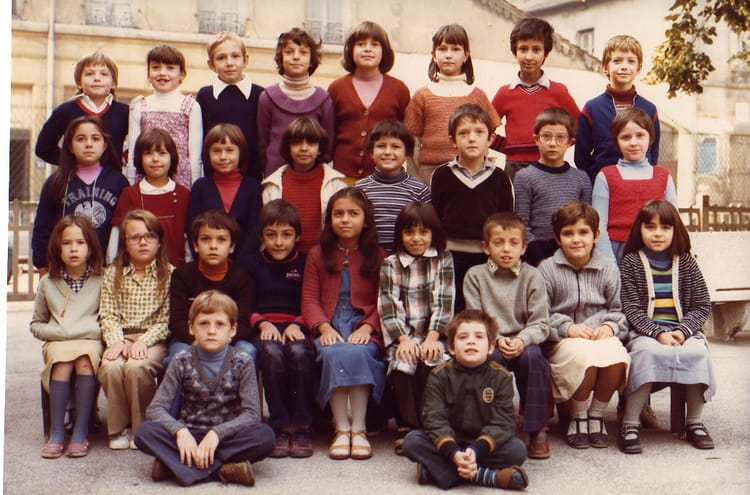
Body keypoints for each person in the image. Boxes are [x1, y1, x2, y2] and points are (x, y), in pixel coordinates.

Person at [134, 290, 275, 486]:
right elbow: (155, 409)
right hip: (189, 434)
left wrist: (217, 433)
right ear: (191, 328)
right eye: (203, 324)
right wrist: (180, 431)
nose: (211, 331)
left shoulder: (242, 362)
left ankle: (177, 466)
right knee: (144, 432)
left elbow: (251, 414)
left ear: (232, 330)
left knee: (265, 436)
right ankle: (224, 469)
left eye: (220, 324)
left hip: (226, 437)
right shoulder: (181, 360)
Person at [618, 200, 716, 454]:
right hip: (645, 331)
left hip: (684, 331)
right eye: (650, 227)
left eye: (665, 227)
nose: (658, 233)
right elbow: (631, 308)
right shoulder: (631, 262)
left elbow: (702, 304)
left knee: (697, 353)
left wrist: (683, 331)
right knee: (646, 353)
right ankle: (630, 423)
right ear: (639, 229)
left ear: (676, 230)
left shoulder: (686, 262)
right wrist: (658, 333)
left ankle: (695, 423)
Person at [301, 187, 387, 460]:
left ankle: (358, 428)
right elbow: (309, 299)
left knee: (359, 352)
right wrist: (323, 327)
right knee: (332, 352)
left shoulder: (379, 255)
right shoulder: (317, 254)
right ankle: (341, 428)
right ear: (330, 219)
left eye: (353, 213)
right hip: (330, 322)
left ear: (365, 220)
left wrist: (368, 327)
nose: (345, 219)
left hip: (364, 323)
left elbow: (385, 300)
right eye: (338, 214)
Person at [401, 310, 528, 490]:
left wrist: (476, 450)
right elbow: (434, 419)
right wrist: (453, 452)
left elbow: (503, 423)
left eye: (479, 337)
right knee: (412, 441)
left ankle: (441, 471)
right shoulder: (439, 375)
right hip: (449, 441)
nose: (471, 341)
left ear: (490, 347)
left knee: (517, 450)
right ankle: (486, 476)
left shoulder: (501, 377)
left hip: (482, 443)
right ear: (452, 348)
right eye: (463, 337)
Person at [538, 201, 629, 450]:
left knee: (617, 355)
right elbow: (540, 314)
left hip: (599, 336)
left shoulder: (608, 268)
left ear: (595, 235)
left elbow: (619, 310)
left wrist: (610, 327)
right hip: (563, 340)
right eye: (568, 234)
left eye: (583, 232)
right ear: (557, 238)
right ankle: (578, 417)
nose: (576, 239)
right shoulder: (547, 270)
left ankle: (596, 414)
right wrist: (568, 328)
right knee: (583, 355)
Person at [463, 212, 551, 459]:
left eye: (513, 243)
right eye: (498, 242)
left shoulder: (532, 276)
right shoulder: (475, 276)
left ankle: (537, 428)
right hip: (491, 340)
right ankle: (496, 425)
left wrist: (522, 340)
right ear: (486, 247)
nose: (506, 249)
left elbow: (541, 322)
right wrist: (497, 338)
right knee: (490, 359)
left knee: (534, 359)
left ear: (524, 247)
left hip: (524, 340)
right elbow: (475, 318)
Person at [238, 200, 316, 459]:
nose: (279, 242)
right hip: (264, 326)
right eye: (271, 235)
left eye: (286, 235)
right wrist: (261, 322)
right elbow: (244, 303)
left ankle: (302, 426)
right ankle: (280, 424)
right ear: (262, 236)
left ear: (298, 236)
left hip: (297, 324)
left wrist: (299, 323)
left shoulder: (306, 262)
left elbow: (312, 298)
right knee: (271, 353)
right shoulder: (250, 264)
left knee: (298, 352)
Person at [378, 202, 453, 449]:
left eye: (423, 232)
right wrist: (403, 340)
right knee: (403, 363)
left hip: (434, 334)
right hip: (404, 335)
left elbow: (444, 302)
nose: (416, 238)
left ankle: (431, 425)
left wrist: (432, 337)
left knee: (433, 361)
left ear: (433, 233)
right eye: (409, 232)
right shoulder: (391, 264)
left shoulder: (443, 260)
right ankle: (408, 425)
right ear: (400, 234)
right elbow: (389, 306)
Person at [98, 209, 173, 450]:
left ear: (159, 242)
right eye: (135, 237)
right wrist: (116, 341)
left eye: (149, 236)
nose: (142, 242)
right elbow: (108, 313)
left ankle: (141, 427)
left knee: (136, 367)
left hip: (154, 339)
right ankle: (118, 428)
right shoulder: (113, 273)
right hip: (121, 336)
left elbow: (166, 319)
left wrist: (144, 341)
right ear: (125, 243)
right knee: (111, 367)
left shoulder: (169, 274)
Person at [31, 215, 104, 459]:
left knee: (84, 361)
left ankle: (81, 431)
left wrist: (78, 331)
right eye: (66, 243)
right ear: (57, 247)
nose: (74, 249)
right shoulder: (47, 282)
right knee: (62, 363)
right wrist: (60, 333)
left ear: (90, 247)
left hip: (90, 342)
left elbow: (108, 321)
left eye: (80, 243)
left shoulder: (102, 279)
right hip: (58, 341)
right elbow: (36, 324)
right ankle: (57, 432)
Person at [431, 103, 513, 312]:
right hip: (450, 255)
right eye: (463, 133)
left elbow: (506, 221)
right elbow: (435, 216)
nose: (471, 138)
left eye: (479, 132)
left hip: (487, 256)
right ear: (453, 140)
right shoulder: (441, 175)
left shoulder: (500, 178)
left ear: (490, 139)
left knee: (482, 308)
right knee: (453, 307)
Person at [32, 115, 129, 275]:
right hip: (64, 269)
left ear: (105, 145)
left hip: (107, 270)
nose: (89, 144)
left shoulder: (118, 181)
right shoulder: (56, 182)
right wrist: (42, 265)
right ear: (70, 146)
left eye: (95, 138)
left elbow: (126, 227)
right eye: (81, 139)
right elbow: (42, 227)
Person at [405, 24, 501, 184]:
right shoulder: (422, 95)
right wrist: (417, 177)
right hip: (430, 174)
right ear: (433, 54)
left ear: (466, 55)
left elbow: (488, 137)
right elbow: (412, 141)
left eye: (455, 49)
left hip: (470, 173)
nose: (448, 55)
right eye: (442, 49)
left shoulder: (477, 96)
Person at [491, 18, 580, 183]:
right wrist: (508, 146)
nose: (529, 56)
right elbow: (483, 128)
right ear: (514, 52)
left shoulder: (558, 91)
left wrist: (558, 146)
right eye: (523, 49)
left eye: (536, 50)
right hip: (514, 167)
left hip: (550, 165)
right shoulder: (505, 93)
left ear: (546, 53)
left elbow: (580, 127)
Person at [167, 210, 256, 370]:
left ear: (231, 246)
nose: (213, 246)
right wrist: (197, 341)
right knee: (177, 354)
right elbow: (177, 320)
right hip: (190, 338)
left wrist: (221, 342)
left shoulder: (242, 278)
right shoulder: (182, 275)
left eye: (221, 240)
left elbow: (243, 323)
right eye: (205, 239)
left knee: (247, 350)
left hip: (229, 339)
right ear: (195, 245)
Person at [328, 21, 411, 181]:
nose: (367, 49)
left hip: (385, 178)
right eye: (360, 44)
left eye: (374, 44)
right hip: (343, 176)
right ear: (350, 50)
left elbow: (405, 134)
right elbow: (329, 132)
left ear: (384, 51)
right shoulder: (336, 88)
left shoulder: (399, 89)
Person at [592, 107, 676, 263]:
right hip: (617, 252)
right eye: (625, 137)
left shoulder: (664, 176)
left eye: (640, 135)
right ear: (616, 141)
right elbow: (599, 225)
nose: (633, 142)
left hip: (655, 252)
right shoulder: (605, 176)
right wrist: (610, 264)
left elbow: (674, 221)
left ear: (650, 138)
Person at [575, 34, 660, 182]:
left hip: (640, 183)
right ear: (605, 67)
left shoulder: (649, 109)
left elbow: (653, 152)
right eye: (617, 61)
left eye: (631, 61)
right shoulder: (592, 108)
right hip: (603, 185)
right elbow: (581, 156)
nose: (624, 66)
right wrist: (596, 180)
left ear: (639, 68)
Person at [513, 107, 591, 266]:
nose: (553, 143)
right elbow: (521, 224)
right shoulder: (524, 177)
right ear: (536, 139)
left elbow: (588, 221)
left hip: (573, 251)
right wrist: (539, 260)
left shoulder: (581, 178)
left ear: (570, 142)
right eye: (546, 136)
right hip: (537, 254)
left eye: (560, 137)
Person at [257, 27, 335, 177]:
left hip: (311, 178)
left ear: (311, 60)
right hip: (276, 178)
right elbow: (262, 144)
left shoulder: (324, 100)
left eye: (303, 52)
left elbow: (328, 148)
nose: (296, 57)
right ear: (280, 58)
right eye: (289, 52)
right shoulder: (267, 97)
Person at [261, 118, 346, 252]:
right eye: (296, 143)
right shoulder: (273, 185)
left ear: (320, 148)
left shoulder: (336, 184)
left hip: (323, 257)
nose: (304, 148)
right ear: (288, 148)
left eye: (311, 143)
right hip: (284, 257)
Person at [108, 128, 190, 267]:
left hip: (176, 271)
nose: (155, 159)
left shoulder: (184, 195)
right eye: (148, 153)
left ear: (172, 157)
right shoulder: (130, 194)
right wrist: (113, 265)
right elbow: (117, 235)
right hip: (137, 273)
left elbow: (188, 239)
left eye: (162, 153)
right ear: (139, 158)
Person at [127, 44, 202, 188]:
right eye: (156, 67)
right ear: (148, 73)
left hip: (181, 183)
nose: (162, 73)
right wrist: (131, 185)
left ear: (182, 74)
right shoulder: (140, 106)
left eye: (170, 68)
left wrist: (195, 188)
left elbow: (195, 156)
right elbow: (133, 152)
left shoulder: (190, 106)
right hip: (146, 183)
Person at [35, 51, 129, 166]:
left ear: (114, 83)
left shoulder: (125, 112)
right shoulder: (65, 111)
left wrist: (123, 158)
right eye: (89, 74)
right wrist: (71, 164)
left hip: (112, 177)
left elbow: (141, 143)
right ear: (79, 82)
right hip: (74, 176)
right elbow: (43, 148)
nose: (97, 78)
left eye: (103, 74)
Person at [355, 119, 432, 253]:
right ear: (371, 152)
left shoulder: (419, 189)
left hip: (407, 258)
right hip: (369, 257)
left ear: (407, 154)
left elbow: (428, 227)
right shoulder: (359, 189)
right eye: (381, 146)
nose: (388, 152)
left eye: (395, 147)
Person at [188, 123, 262, 260]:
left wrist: (240, 261)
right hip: (206, 262)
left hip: (243, 264)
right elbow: (192, 228)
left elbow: (255, 229)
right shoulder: (200, 187)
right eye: (216, 151)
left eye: (229, 150)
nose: (223, 157)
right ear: (208, 154)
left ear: (241, 152)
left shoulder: (252, 187)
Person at [196, 31, 264, 181]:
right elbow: (200, 142)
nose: (229, 63)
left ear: (245, 60)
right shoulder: (205, 96)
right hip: (214, 180)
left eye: (235, 56)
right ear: (211, 64)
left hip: (251, 181)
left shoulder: (260, 95)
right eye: (221, 58)